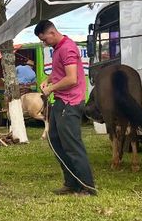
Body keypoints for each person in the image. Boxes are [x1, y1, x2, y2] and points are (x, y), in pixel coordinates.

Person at [35, 19, 96, 196]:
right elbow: (60, 72)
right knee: (55, 140)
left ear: (52, 33)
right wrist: (47, 79)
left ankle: (87, 187)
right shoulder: (58, 48)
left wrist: (50, 89)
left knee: (72, 145)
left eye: (44, 39)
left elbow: (71, 78)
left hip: (70, 103)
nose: (44, 43)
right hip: (61, 101)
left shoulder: (67, 48)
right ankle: (71, 183)